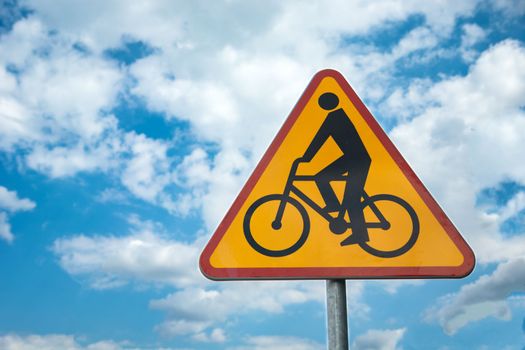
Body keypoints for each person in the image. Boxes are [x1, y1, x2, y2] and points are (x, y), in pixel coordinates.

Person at [298, 92, 371, 246]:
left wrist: (307, 158)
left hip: (358, 160)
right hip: (351, 158)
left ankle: (360, 235)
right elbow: (321, 137)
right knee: (321, 177)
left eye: (323, 102)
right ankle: (333, 205)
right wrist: (307, 158)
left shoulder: (335, 118)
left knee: (351, 199)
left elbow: (320, 138)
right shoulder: (336, 116)